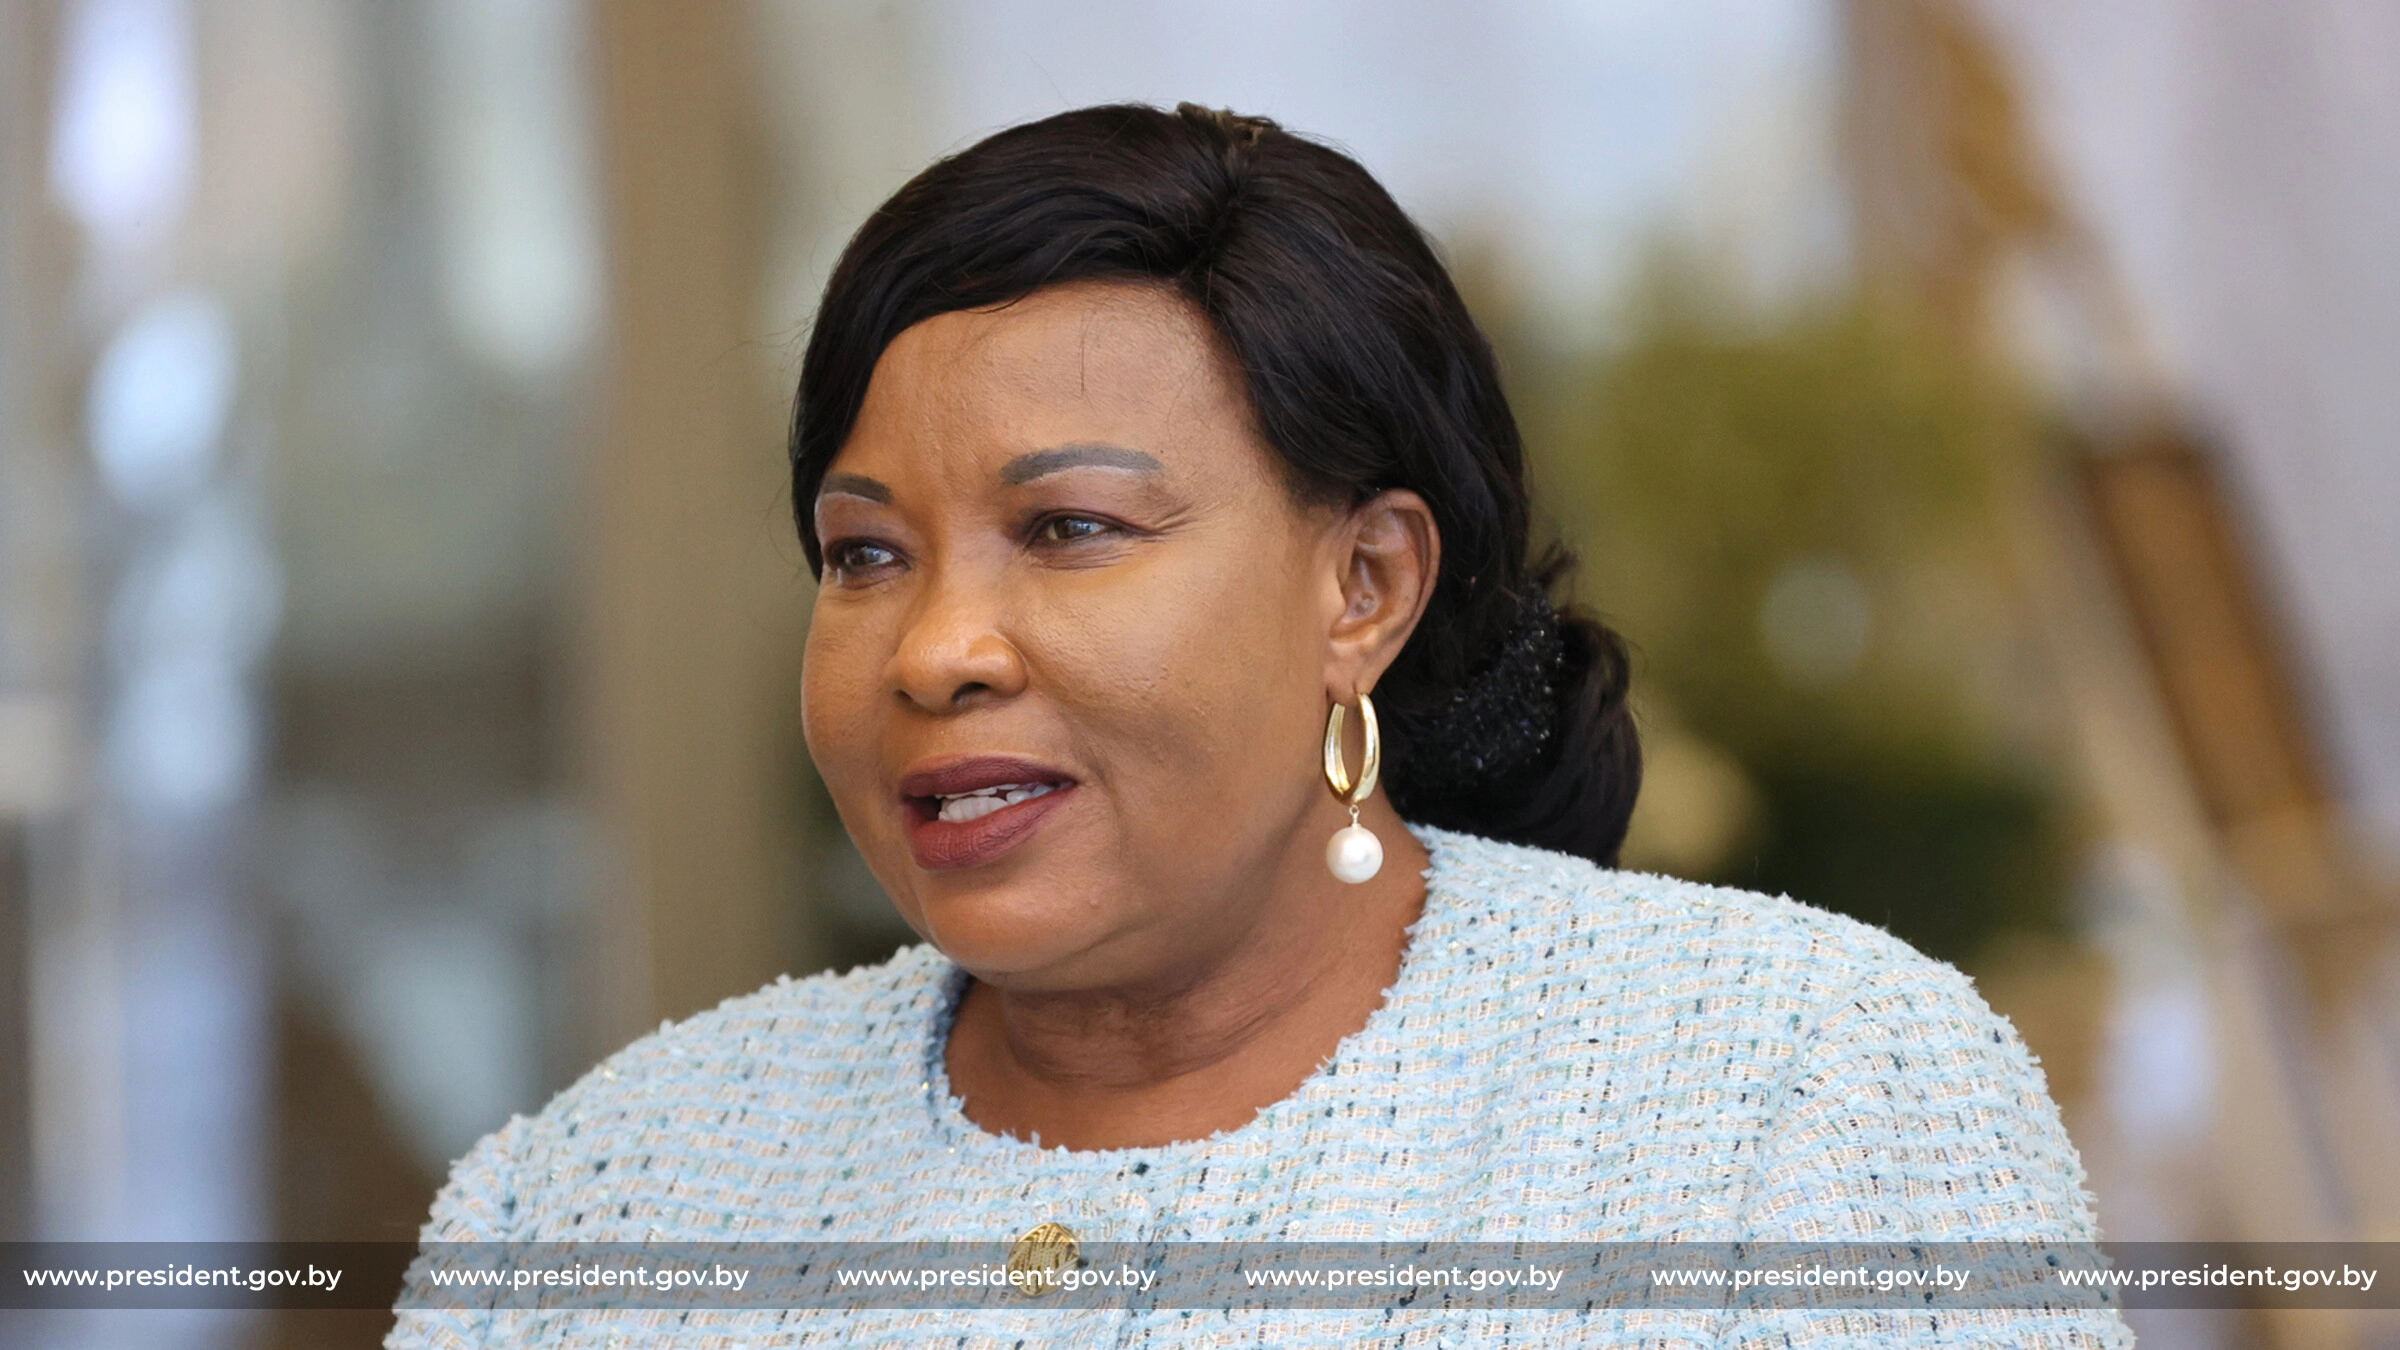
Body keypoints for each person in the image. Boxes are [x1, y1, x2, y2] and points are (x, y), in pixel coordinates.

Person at [389, 103, 2126, 1347]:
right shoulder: (601, 1197)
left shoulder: (1799, 1097)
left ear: (1363, 584)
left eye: (1070, 527)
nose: (934, 651)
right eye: (864, 554)